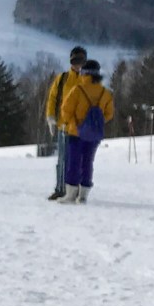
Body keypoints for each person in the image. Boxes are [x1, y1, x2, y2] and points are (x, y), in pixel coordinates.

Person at [56, 59, 115, 204]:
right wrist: (95, 123)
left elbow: (65, 110)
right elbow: (109, 114)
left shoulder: (77, 89)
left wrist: (72, 123)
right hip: (94, 134)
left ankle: (70, 194)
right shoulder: (105, 93)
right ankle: (83, 195)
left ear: (84, 73)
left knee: (74, 162)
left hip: (76, 132)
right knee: (88, 162)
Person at [44, 46, 88, 202]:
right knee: (63, 160)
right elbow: (53, 98)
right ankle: (60, 188)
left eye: (81, 61)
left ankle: (75, 190)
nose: (78, 65)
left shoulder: (88, 80)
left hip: (81, 128)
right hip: (64, 126)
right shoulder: (62, 78)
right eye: (75, 61)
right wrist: (50, 117)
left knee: (78, 160)